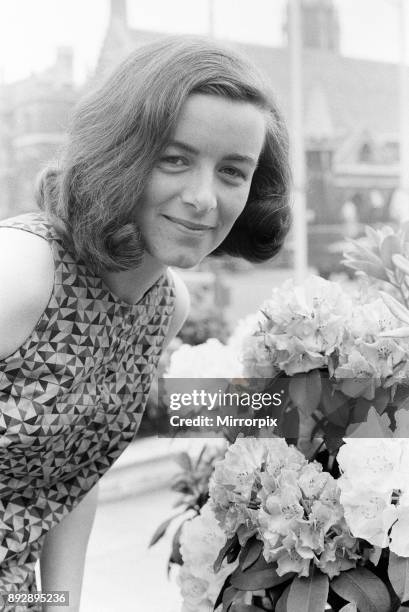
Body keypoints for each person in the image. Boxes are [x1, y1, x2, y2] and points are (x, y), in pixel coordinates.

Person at [0, 35, 291, 611]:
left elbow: (70, 477)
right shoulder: (23, 271)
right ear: (120, 152)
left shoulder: (164, 305)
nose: (204, 199)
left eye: (233, 171)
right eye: (174, 159)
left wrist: (60, 604)